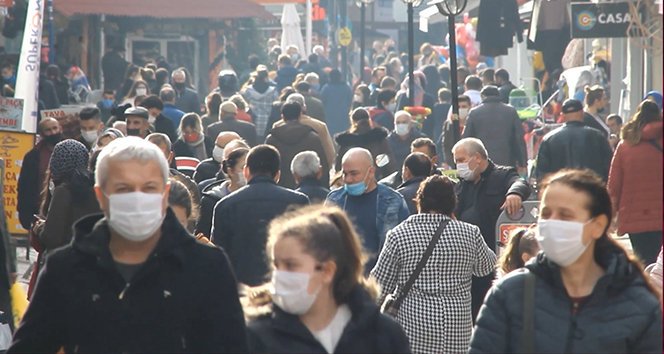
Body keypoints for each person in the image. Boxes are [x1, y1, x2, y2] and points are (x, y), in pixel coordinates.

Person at [9, 137, 249, 352]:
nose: (137, 198)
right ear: (101, 195)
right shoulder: (66, 268)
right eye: (123, 188)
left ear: (164, 193)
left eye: (148, 188)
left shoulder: (208, 267)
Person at [468, 169, 663, 354]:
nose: (552, 223)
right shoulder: (509, 294)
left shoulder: (638, 304)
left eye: (565, 215)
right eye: (545, 214)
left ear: (598, 225)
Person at [245, 205, 411, 353]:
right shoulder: (258, 337)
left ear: (327, 271)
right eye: (276, 265)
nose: (280, 275)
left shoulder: (381, 334)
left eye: (290, 265)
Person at [372, 175, 496, 353]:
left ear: (419, 201)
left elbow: (379, 285)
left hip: (414, 327)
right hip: (457, 328)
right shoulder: (470, 233)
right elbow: (486, 266)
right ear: (453, 203)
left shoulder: (399, 235)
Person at [452, 138, 531, 320]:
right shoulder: (462, 184)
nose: (458, 166)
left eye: (461, 160)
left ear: (477, 157)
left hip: (495, 257)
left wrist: (514, 193)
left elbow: (519, 183)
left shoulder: (502, 175)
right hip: (469, 261)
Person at [212, 145, 309, 286]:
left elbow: (218, 258)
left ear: (246, 172)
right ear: (277, 175)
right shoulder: (299, 202)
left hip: (241, 293)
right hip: (285, 288)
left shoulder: (225, 206)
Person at [326, 148, 409, 272]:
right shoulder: (334, 200)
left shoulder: (392, 201)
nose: (348, 179)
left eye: (354, 173)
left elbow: (405, 247)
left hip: (380, 283)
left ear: (370, 172)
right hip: (342, 281)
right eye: (345, 173)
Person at [29, 139, 100, 284]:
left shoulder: (64, 190)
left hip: (62, 270)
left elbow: (52, 237)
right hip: (90, 268)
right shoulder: (95, 188)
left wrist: (40, 227)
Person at [608, 100, 663, 265]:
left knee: (645, 263)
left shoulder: (625, 146)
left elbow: (614, 185)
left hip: (635, 217)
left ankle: (649, 290)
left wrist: (609, 214)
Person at [536, 99, 613, 182]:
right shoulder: (598, 137)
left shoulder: (549, 139)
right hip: (591, 190)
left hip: (561, 190)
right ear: (582, 113)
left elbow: (542, 174)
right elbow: (609, 168)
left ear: (563, 115)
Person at [265, 102, 329, 189]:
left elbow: (266, 167)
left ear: (282, 117)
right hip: (308, 190)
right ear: (300, 115)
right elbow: (323, 166)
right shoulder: (312, 137)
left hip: (279, 190)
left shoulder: (272, 139)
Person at [463, 86, 527, 171]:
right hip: (507, 161)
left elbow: (467, 138)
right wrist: (522, 162)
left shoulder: (474, 113)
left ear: (482, 96)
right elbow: (519, 139)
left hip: (481, 161)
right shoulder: (510, 111)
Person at [195, 141, 250, 237]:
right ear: (230, 171)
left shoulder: (257, 198)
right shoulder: (211, 199)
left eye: (251, 167)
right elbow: (202, 234)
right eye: (243, 167)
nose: (247, 172)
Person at [17, 118, 63, 231]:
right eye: (48, 130)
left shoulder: (71, 151)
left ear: (60, 129)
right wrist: (25, 214)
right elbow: (24, 187)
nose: (53, 133)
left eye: (55, 128)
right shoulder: (33, 157)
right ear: (42, 134)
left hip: (63, 209)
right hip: (39, 211)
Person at [273, 94, 336, 168]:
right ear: (304, 107)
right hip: (311, 171)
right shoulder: (320, 126)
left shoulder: (277, 126)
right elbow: (329, 153)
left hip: (283, 172)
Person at [335, 108, 398, 181]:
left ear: (352, 121)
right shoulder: (378, 137)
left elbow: (339, 166)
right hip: (376, 181)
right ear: (369, 119)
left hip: (351, 182)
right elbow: (389, 161)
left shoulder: (345, 141)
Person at [241, 65, 279, 140]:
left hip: (252, 122)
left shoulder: (248, 91)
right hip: (268, 122)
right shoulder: (272, 91)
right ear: (266, 77)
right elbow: (276, 105)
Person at [441, 95, 471, 169]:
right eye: (459, 107)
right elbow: (446, 144)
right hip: (455, 163)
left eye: (464, 107)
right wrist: (451, 162)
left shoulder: (474, 122)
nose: (461, 109)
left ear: (469, 107)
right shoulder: (449, 123)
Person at [321, 69, 353, 137]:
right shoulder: (346, 87)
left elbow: (323, 101)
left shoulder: (326, 88)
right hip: (344, 116)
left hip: (330, 116)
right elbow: (350, 101)